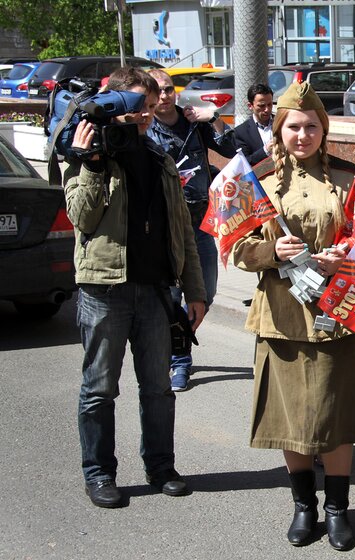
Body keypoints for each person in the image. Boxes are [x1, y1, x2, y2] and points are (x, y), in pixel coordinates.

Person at [232, 81, 355, 551]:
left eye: (312, 126)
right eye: (294, 126)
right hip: (282, 315)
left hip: (335, 314)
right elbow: (237, 248)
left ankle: (337, 509)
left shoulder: (350, 179)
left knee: (335, 418)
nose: (303, 134)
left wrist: (345, 256)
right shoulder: (260, 180)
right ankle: (303, 506)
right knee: (291, 418)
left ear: (323, 130)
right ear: (279, 128)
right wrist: (272, 250)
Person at [64, 67, 206, 508]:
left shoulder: (159, 156)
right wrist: (90, 162)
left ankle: (161, 466)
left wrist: (195, 290)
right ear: (114, 106)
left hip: (155, 292)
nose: (145, 115)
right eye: (135, 107)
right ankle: (100, 473)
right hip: (104, 291)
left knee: (158, 388)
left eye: (147, 107)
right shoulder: (85, 151)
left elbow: (182, 231)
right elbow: (81, 218)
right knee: (99, 388)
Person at [147, 68, 236, 391]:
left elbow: (231, 148)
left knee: (205, 293)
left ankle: (178, 340)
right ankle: (180, 360)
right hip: (167, 225)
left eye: (169, 89)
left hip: (200, 223)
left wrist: (212, 116)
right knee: (172, 296)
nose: (165, 96)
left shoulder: (194, 125)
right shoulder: (146, 130)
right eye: (157, 91)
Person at [234, 83, 275, 166]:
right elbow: (245, 163)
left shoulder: (283, 123)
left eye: (270, 104)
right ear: (250, 106)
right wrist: (265, 150)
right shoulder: (241, 132)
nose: (267, 109)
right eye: (261, 106)